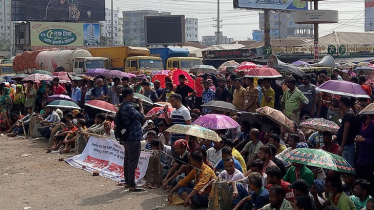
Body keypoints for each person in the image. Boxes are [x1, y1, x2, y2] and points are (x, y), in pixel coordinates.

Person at [120, 88, 144, 192]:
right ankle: (132, 184)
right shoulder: (128, 107)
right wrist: (141, 105)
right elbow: (140, 116)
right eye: (132, 95)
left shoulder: (123, 106)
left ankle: (127, 181)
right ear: (128, 96)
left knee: (127, 160)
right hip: (133, 137)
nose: (133, 97)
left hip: (127, 138)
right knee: (132, 162)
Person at [355, 112, 374, 189]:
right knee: (359, 176)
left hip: (369, 157)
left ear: (367, 114)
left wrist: (364, 140)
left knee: (368, 180)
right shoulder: (362, 123)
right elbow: (360, 133)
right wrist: (358, 137)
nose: (360, 115)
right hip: (361, 156)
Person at [337, 96, 357, 166]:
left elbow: (346, 131)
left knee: (347, 167)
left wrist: (342, 147)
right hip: (346, 146)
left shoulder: (349, 115)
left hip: (347, 146)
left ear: (342, 103)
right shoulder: (347, 114)